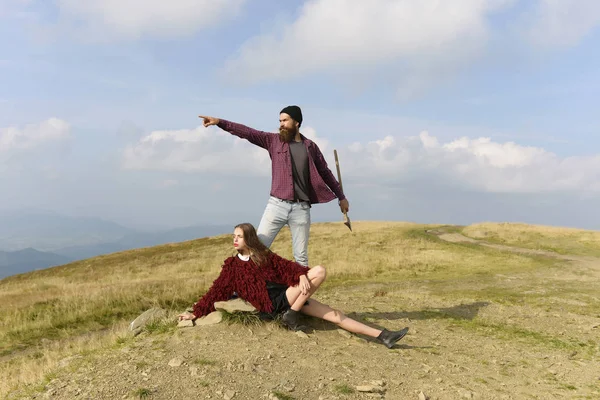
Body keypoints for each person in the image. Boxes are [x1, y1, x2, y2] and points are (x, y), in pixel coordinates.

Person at [178, 223, 409, 349]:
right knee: (319, 271)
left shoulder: (263, 255)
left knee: (335, 314)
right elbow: (216, 291)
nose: (235, 239)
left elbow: (286, 267)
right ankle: (291, 314)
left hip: (288, 297)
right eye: (234, 236)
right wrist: (196, 312)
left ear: (248, 238)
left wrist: (299, 275)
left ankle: (383, 336)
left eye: (239, 236)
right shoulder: (232, 266)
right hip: (274, 303)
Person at [198, 106, 349, 267]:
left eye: (285, 120)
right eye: (280, 121)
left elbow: (325, 173)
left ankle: (302, 292)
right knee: (256, 249)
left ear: (296, 122)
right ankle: (240, 286)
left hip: (301, 209)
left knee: (301, 257)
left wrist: (341, 197)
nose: (281, 124)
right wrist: (220, 122)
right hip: (277, 206)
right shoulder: (273, 141)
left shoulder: (310, 147)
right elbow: (248, 132)